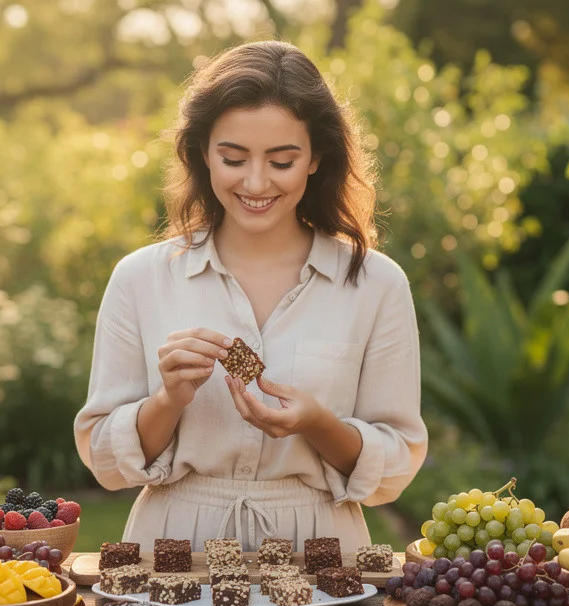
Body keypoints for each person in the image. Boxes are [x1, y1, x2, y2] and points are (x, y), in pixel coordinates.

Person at [74, 40, 427, 553]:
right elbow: (105, 464)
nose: (256, 182)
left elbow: (395, 468)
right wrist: (167, 400)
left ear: (315, 159)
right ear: (202, 154)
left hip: (322, 547)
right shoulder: (140, 278)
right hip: (173, 544)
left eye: (282, 161)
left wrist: (318, 424)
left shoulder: (376, 284)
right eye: (234, 158)